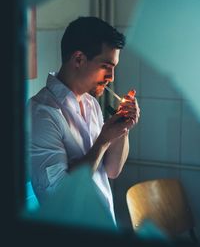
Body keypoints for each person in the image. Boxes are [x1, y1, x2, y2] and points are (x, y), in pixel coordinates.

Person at [29, 16, 140, 225]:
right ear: (78, 59)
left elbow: (112, 170)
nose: (112, 77)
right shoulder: (42, 113)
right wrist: (103, 140)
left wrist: (123, 128)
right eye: (106, 66)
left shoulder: (91, 104)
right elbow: (59, 198)